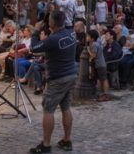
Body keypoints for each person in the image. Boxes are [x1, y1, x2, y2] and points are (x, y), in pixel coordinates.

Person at [28, 10, 78, 153]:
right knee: (66, 107)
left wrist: (36, 31)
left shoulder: (53, 39)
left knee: (48, 109)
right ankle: (67, 141)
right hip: (71, 75)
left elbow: (34, 48)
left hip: (58, 78)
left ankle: (46, 145)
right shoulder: (71, 33)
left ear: (52, 23)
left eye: (49, 19)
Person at [87, 29, 110, 102]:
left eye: (88, 36)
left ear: (92, 38)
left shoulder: (94, 44)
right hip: (100, 64)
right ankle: (102, 94)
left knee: (103, 79)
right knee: (101, 79)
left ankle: (106, 94)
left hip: (100, 64)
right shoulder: (97, 42)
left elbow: (93, 55)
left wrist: (88, 50)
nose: (87, 37)